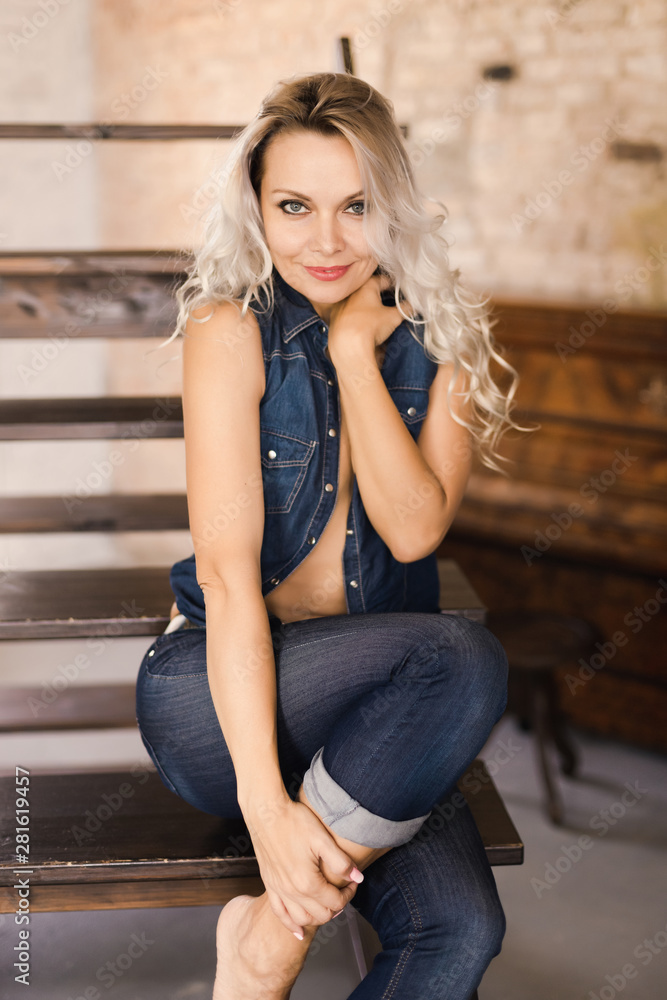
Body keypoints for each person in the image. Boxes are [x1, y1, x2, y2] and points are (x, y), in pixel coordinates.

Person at [136, 70, 521, 1000]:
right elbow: (228, 581)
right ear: (257, 209)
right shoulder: (228, 330)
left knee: (461, 931)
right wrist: (266, 808)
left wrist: (355, 352)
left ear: (392, 206)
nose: (326, 240)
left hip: (377, 722)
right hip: (218, 700)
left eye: (357, 207)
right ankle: (274, 929)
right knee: (463, 659)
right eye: (295, 206)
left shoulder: (444, 341)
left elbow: (414, 527)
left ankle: (263, 937)